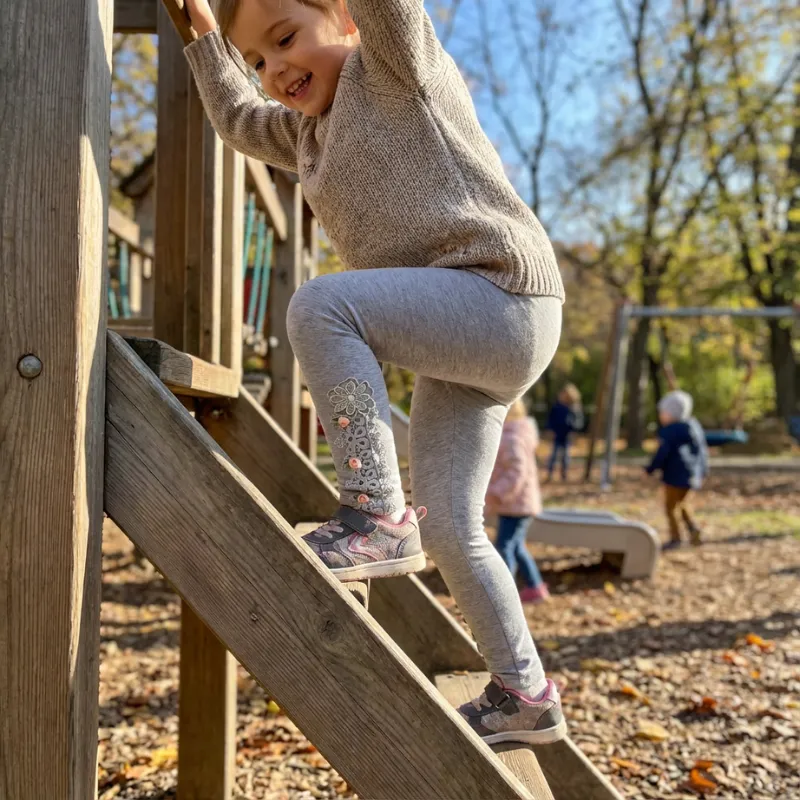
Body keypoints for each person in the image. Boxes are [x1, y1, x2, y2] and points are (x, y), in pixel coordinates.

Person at [182, 0, 567, 745]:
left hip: (501, 295)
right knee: (451, 527)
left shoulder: (394, 66)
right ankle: (524, 694)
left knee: (322, 305)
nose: (276, 70)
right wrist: (203, 34)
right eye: (258, 60)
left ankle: (375, 513)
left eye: (287, 39)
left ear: (347, 17)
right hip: (463, 338)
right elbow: (234, 119)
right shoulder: (302, 134)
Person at [486, 400, 551, 604]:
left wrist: (497, 491)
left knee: (504, 546)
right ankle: (535, 587)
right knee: (516, 546)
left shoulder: (511, 437)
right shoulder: (517, 434)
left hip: (515, 503)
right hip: (519, 503)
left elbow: (517, 472)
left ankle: (505, 594)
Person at [645, 390, 709, 549]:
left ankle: (676, 538)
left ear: (671, 413)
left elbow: (662, 453)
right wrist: (702, 471)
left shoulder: (669, 432)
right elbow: (702, 452)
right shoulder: (694, 427)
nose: (660, 416)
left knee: (670, 507)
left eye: (662, 412)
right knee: (682, 503)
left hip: (675, 475)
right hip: (692, 475)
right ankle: (693, 529)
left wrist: (650, 469)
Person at [546, 383, 583, 481]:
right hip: (557, 434)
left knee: (565, 456)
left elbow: (578, 421)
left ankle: (564, 473)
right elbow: (551, 419)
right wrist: (550, 430)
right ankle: (550, 473)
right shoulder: (557, 407)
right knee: (554, 455)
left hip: (567, 435)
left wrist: (574, 430)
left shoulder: (574, 408)